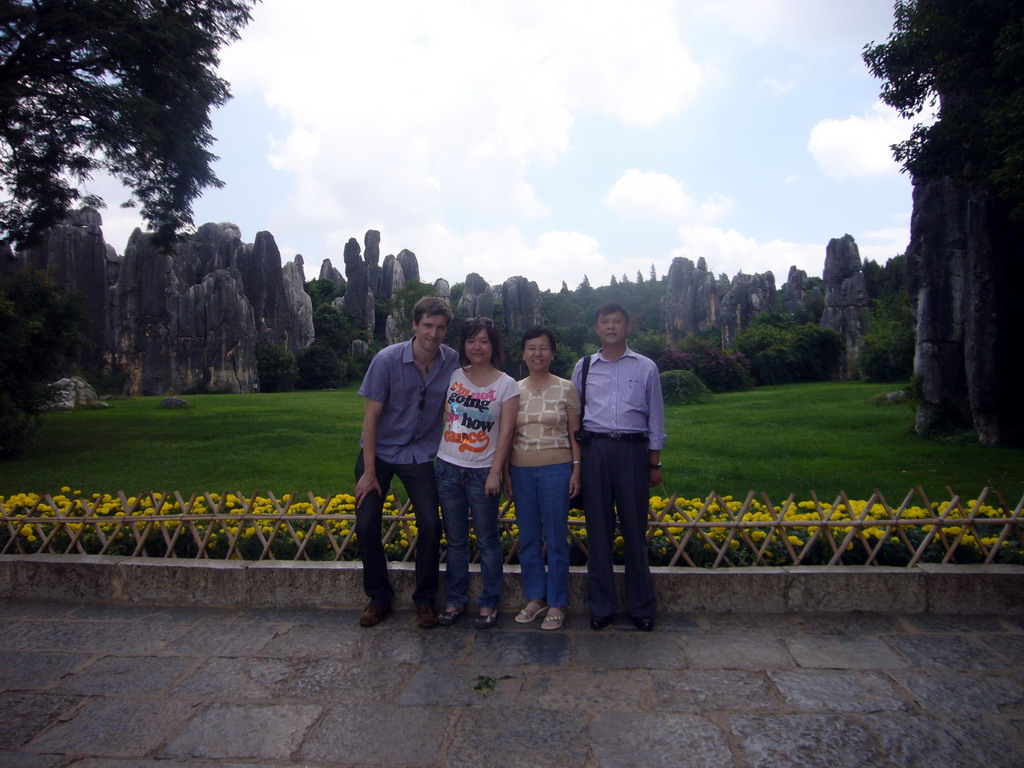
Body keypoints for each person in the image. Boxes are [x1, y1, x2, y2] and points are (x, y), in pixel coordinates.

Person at [354, 296, 460, 629]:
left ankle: (425, 599)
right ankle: (378, 597)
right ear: (414, 325)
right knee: (367, 523)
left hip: (422, 453)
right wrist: (369, 472)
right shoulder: (386, 360)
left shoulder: (452, 361)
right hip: (380, 451)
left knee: (430, 524)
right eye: (428, 325)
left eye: (440, 327)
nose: (434, 333)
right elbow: (370, 418)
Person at [571, 301, 666, 631]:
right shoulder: (584, 367)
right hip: (595, 450)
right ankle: (602, 606)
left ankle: (641, 607)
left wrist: (654, 462)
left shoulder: (645, 367)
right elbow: (574, 417)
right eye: (604, 321)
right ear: (596, 328)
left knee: (634, 531)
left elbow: (655, 416)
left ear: (628, 327)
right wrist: (578, 464)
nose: (610, 326)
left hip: (632, 452)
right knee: (598, 531)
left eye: (617, 321)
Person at [434, 317, 519, 629]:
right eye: (472, 341)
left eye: (484, 341)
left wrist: (496, 472)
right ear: (464, 345)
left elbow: (507, 433)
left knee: (487, 540)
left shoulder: (506, 384)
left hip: (483, 472)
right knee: (455, 539)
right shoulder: (454, 374)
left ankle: (488, 602)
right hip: (447, 466)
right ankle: (455, 600)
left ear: (493, 346)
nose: (477, 347)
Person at [505, 326, 581, 631]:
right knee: (529, 537)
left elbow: (576, 433)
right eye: (532, 348)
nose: (538, 354)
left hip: (557, 469)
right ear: (523, 354)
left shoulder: (566, 388)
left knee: (556, 536)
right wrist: (506, 472)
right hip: (521, 470)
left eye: (544, 348)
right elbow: (508, 435)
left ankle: (558, 602)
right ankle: (535, 597)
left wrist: (577, 468)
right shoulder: (512, 388)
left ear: (552, 353)